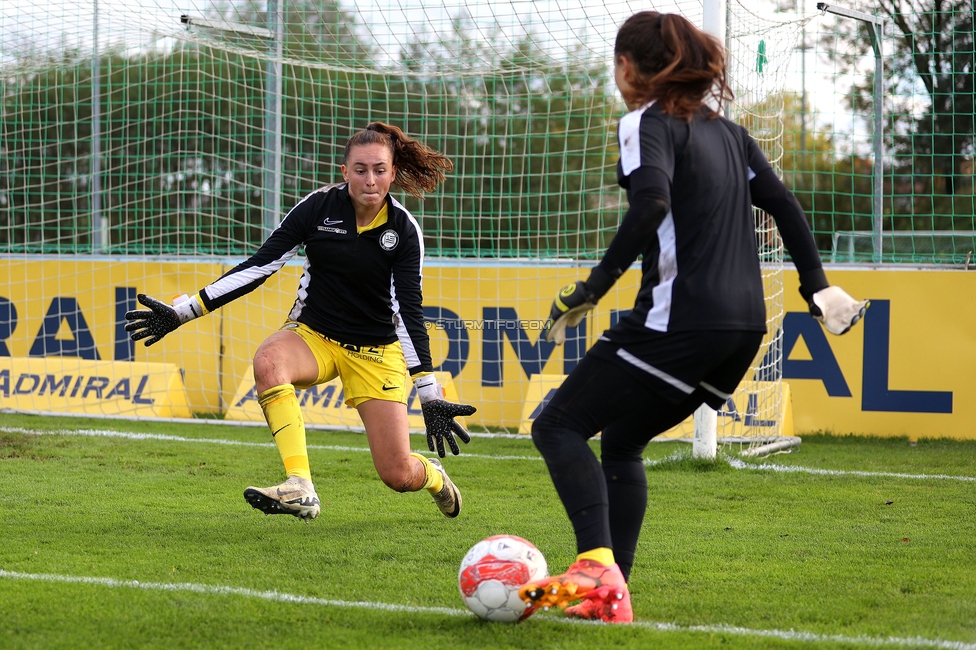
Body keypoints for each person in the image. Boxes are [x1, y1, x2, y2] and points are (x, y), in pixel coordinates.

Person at [517, 12, 868, 623]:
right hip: (744, 330)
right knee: (622, 442)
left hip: (680, 320)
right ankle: (610, 592)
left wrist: (593, 287)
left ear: (628, 67)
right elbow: (782, 203)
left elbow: (651, 200)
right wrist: (818, 287)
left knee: (556, 424)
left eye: (617, 64)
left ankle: (595, 564)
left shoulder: (644, 122)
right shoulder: (729, 132)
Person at [124, 122, 476, 522]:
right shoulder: (318, 206)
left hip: (377, 353)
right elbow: (260, 266)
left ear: (393, 173)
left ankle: (433, 476)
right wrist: (183, 311)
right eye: (360, 169)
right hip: (314, 336)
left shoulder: (404, 231)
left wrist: (429, 394)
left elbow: (408, 312)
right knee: (269, 362)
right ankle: (299, 485)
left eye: (380, 169)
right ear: (344, 172)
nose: (370, 179)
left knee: (397, 474)